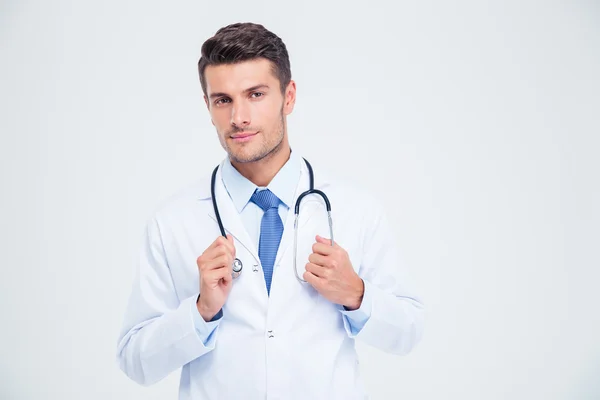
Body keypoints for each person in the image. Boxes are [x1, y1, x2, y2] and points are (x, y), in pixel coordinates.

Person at [116, 22, 424, 400]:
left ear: (288, 96)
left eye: (256, 94)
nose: (239, 118)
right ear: (208, 107)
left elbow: (408, 332)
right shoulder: (172, 222)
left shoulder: (355, 208)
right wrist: (200, 312)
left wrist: (356, 293)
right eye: (223, 100)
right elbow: (135, 360)